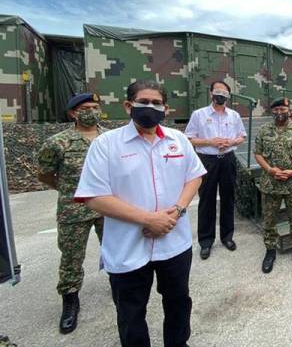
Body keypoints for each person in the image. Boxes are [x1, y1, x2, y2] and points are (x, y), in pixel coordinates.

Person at [74, 80, 205, 347]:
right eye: (143, 101)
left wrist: (178, 210)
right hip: (128, 247)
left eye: (157, 103)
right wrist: (149, 219)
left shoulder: (177, 140)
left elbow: (195, 177)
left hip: (174, 243)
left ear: (165, 109)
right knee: (131, 312)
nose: (150, 107)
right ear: (128, 105)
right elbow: (94, 196)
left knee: (179, 302)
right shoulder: (106, 145)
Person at [36, 92, 105, 334]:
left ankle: (121, 288)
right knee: (72, 258)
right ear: (73, 113)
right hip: (73, 210)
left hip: (109, 206)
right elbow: (44, 174)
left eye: (95, 106)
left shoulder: (110, 138)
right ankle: (70, 300)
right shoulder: (58, 142)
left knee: (116, 249)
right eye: (86, 107)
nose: (92, 111)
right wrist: (70, 190)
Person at [185, 81, 247, 259]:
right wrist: (210, 142)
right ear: (211, 92)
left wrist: (231, 142)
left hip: (228, 160)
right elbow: (189, 138)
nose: (221, 94)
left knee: (228, 198)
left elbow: (241, 136)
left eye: (225, 92)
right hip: (207, 161)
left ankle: (227, 237)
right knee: (207, 200)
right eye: (217, 91)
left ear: (228, 96)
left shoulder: (234, 115)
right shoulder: (199, 114)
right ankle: (206, 241)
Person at [254, 97, 292, 273]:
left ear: (289, 110)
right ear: (272, 111)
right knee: (269, 220)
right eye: (276, 109)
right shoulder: (264, 130)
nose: (279, 112)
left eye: (283, 109)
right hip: (270, 183)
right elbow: (258, 154)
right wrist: (270, 170)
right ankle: (270, 252)